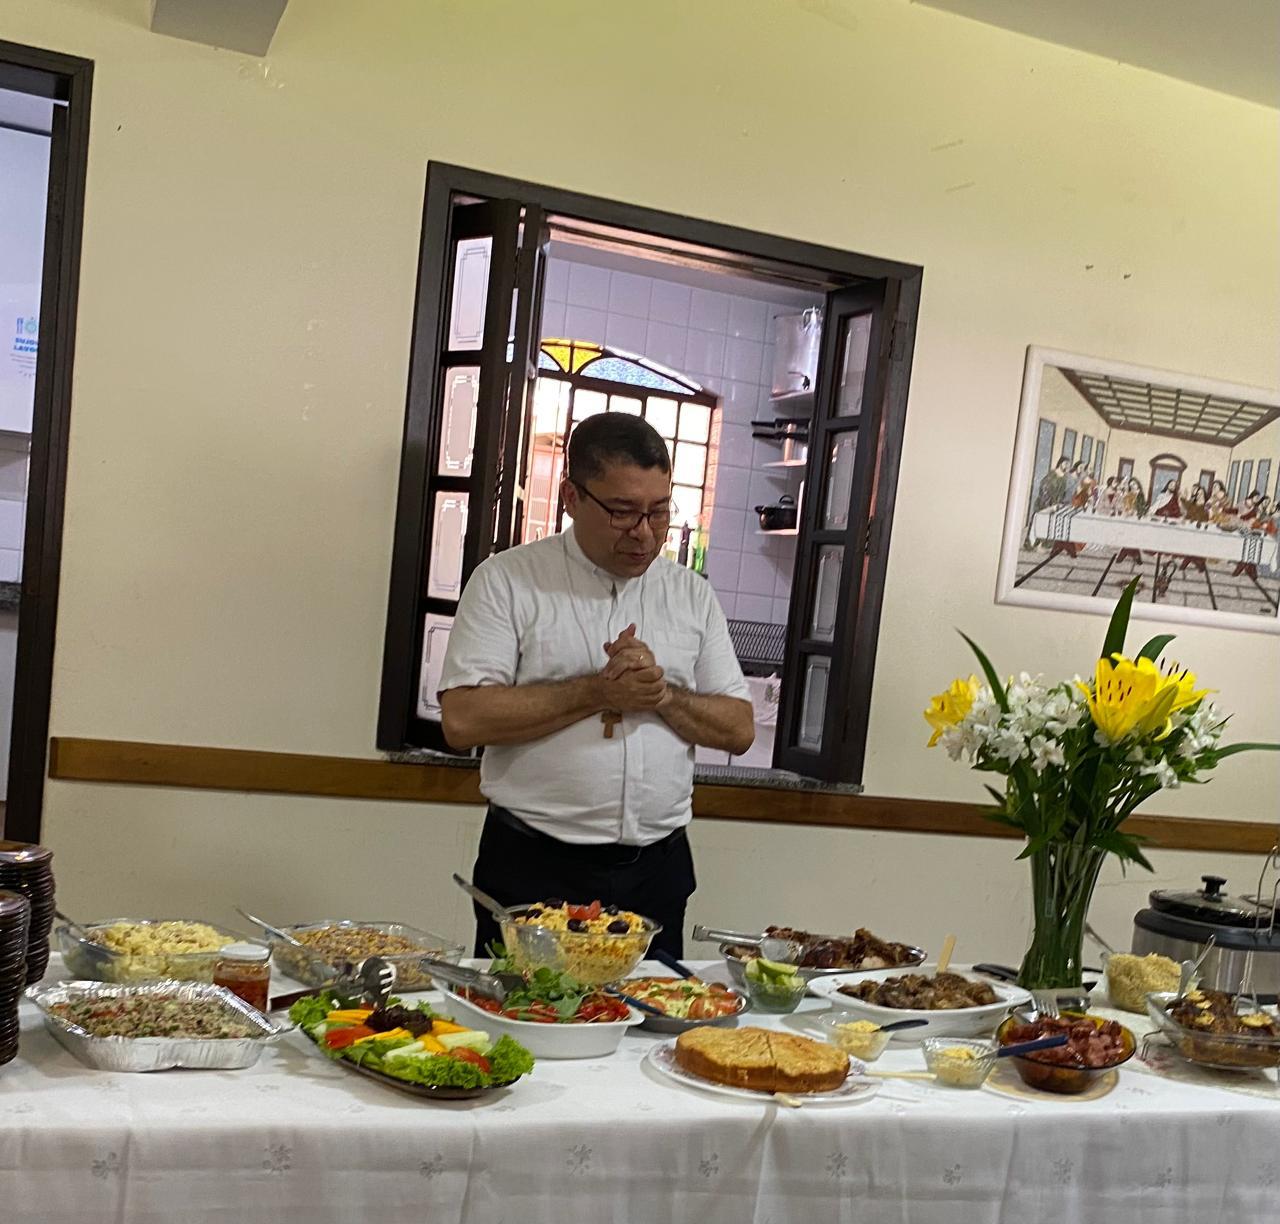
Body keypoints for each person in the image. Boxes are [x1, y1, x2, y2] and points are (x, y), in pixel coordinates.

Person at [437, 413, 755, 958]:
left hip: (657, 867)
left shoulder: (690, 594)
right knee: (528, 1006)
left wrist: (662, 695)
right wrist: (597, 692)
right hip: (536, 864)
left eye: (659, 511)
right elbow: (463, 721)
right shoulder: (508, 580)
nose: (644, 532)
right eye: (622, 512)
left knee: (654, 1011)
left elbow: (739, 729)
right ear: (571, 497)